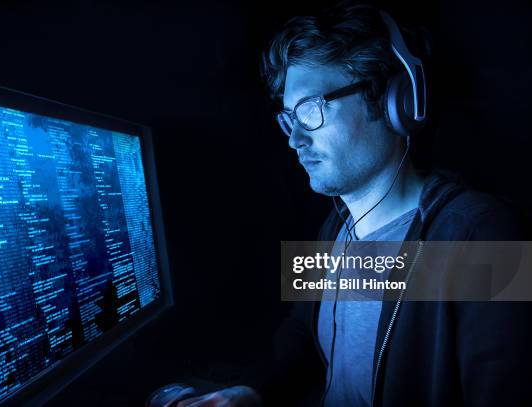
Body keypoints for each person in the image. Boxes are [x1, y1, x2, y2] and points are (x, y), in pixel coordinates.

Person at [148, 2, 532, 406]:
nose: (295, 139)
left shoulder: (485, 237)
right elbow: (300, 335)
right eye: (288, 118)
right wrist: (253, 392)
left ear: (393, 102)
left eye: (311, 110)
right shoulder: (335, 228)